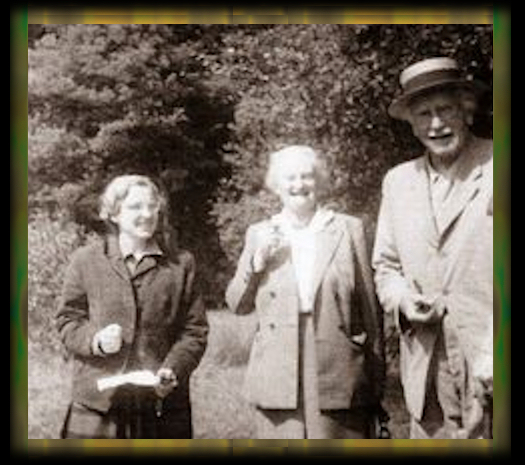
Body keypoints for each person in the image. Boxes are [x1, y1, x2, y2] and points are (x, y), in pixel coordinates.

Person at [226, 145, 385, 439]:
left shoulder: (349, 229)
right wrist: (257, 262)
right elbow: (237, 304)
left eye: (307, 176)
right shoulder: (260, 232)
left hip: (337, 363)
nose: (298, 185)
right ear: (276, 186)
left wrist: (375, 380)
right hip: (277, 367)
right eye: (290, 178)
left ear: (319, 181)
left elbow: (370, 311)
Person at [372, 57, 493, 439]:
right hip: (428, 373)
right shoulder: (398, 183)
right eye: (423, 114)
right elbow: (386, 267)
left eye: (445, 110)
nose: (436, 124)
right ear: (411, 123)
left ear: (467, 111)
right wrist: (404, 300)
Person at [56, 174, 208, 438]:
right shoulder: (86, 260)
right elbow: (68, 320)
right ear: (114, 213)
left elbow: (194, 331)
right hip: (97, 404)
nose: (147, 214)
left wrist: (173, 368)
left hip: (161, 405)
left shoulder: (181, 264)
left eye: (152, 206)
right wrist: (96, 341)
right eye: (136, 207)